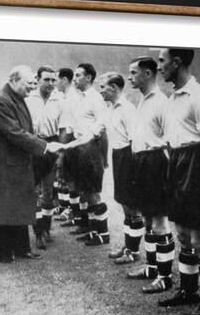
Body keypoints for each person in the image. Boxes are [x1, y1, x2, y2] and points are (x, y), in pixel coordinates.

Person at [156, 48, 200, 313]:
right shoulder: (173, 96)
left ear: (177, 62)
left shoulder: (199, 95)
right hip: (178, 163)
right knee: (182, 234)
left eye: (163, 61)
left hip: (196, 166)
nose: (160, 66)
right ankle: (188, 291)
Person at [0, 65, 63, 263]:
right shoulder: (1, 101)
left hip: (18, 161)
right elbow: (14, 132)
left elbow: (24, 129)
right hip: (6, 164)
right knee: (7, 208)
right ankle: (1, 250)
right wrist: (44, 146)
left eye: (34, 84)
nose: (32, 88)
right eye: (29, 84)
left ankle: (21, 248)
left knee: (20, 205)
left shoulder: (16, 97)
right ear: (15, 80)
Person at [123, 56, 175, 294]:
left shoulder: (162, 101)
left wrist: (165, 169)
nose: (129, 77)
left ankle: (165, 277)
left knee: (160, 222)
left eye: (133, 72)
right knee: (148, 220)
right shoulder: (143, 99)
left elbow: (172, 140)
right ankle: (152, 267)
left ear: (147, 74)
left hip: (156, 163)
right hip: (140, 162)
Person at [60, 63, 110, 246]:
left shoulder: (95, 98)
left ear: (89, 78)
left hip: (91, 148)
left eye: (78, 75)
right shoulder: (78, 98)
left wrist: (96, 147)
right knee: (84, 191)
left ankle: (103, 233)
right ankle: (91, 228)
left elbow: (102, 124)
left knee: (93, 192)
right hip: (78, 147)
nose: (75, 79)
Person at [98, 72, 142, 262]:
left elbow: (135, 140)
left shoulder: (127, 109)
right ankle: (128, 246)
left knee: (132, 207)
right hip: (118, 156)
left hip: (129, 156)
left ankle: (133, 252)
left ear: (114, 88)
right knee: (125, 205)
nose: (101, 91)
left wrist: (133, 167)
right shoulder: (110, 109)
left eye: (103, 87)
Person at [25, 66, 66, 250]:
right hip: (33, 145)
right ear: (38, 79)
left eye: (53, 80)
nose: (50, 83)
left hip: (52, 145)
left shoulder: (60, 99)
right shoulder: (28, 98)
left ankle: (46, 227)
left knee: (48, 192)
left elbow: (64, 128)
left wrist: (60, 153)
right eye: (46, 80)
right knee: (34, 192)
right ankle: (38, 232)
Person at [53, 67, 76, 221]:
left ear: (64, 80)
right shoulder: (64, 96)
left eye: (56, 79)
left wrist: (62, 149)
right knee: (63, 176)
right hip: (66, 139)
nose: (55, 83)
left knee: (70, 176)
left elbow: (67, 127)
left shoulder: (72, 98)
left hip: (70, 140)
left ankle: (72, 210)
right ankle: (66, 207)